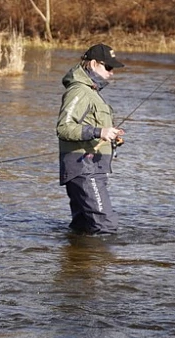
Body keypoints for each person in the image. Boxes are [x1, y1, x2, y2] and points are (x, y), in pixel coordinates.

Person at [56, 43, 126, 235]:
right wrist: (98, 132)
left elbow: (87, 126)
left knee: (83, 228)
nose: (112, 73)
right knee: (106, 226)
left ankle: (77, 263)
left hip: (89, 169)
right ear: (94, 64)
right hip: (85, 170)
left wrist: (110, 136)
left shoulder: (92, 92)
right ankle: (101, 264)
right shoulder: (79, 91)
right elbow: (64, 127)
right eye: (109, 67)